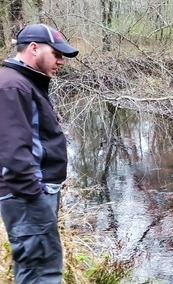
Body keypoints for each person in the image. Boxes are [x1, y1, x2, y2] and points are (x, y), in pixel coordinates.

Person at [0, 23, 78, 283]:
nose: (61, 61)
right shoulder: (13, 86)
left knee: (36, 269)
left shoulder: (24, 83)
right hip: (28, 197)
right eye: (56, 54)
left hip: (33, 195)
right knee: (41, 273)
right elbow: (12, 150)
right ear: (34, 48)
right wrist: (34, 195)